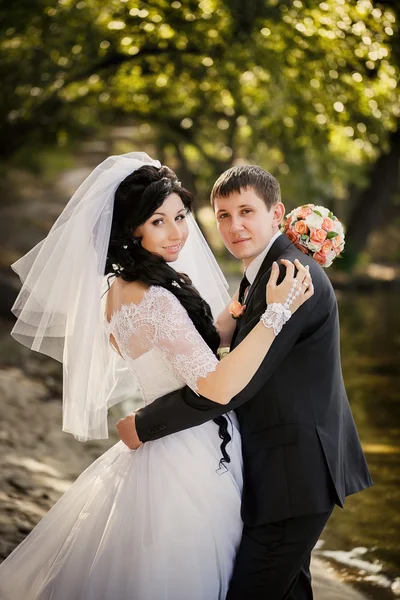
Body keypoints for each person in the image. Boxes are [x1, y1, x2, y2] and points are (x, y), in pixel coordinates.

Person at [0, 153, 313, 600]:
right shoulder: (155, 299)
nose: (177, 232)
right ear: (133, 230)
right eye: (158, 222)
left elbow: (182, 347)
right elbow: (216, 384)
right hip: (190, 456)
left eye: (180, 217)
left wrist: (237, 308)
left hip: (162, 447)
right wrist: (276, 314)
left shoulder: (120, 291)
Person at [118, 165, 374, 600]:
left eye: (245, 212)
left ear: (276, 213)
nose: (234, 226)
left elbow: (235, 384)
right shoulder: (264, 272)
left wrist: (144, 425)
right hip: (282, 472)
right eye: (222, 215)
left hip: (295, 474)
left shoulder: (290, 277)